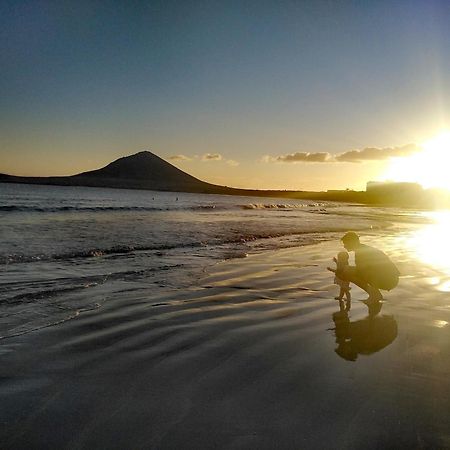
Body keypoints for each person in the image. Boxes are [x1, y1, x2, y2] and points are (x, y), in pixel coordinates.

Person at [336, 231, 400, 304]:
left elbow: (367, 271)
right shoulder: (362, 249)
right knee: (351, 271)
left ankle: (374, 295)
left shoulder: (362, 252)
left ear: (352, 242)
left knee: (347, 272)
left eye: (346, 243)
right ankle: (375, 294)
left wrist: (346, 268)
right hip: (389, 278)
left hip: (389, 280)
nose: (344, 246)